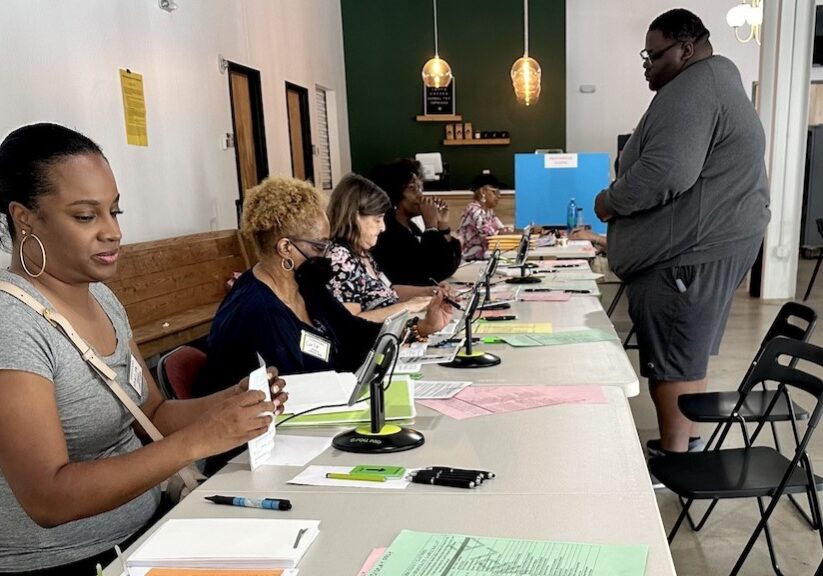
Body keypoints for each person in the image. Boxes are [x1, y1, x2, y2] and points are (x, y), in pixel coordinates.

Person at [0, 123, 288, 575]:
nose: (112, 231)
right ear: (25, 218)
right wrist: (199, 440)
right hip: (69, 561)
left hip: (149, 532)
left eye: (115, 211)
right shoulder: (11, 323)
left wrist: (233, 402)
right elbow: (48, 498)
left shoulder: (103, 300)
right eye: (85, 216)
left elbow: (151, 414)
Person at [593, 10, 770, 458]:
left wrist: (610, 201)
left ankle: (675, 461)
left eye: (653, 55)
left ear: (686, 49)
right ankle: (686, 446)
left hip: (686, 256)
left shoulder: (694, 88)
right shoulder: (714, 83)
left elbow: (665, 171)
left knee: (671, 360)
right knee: (685, 354)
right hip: (704, 247)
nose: (647, 65)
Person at [197, 175, 453, 399]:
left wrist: (421, 328)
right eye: (320, 245)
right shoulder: (257, 311)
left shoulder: (306, 284)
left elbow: (354, 334)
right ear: (285, 248)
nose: (328, 254)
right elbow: (299, 386)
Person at [326, 173, 453, 322]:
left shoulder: (361, 253)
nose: (383, 227)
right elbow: (349, 322)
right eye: (377, 219)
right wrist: (408, 306)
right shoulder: (339, 259)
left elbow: (387, 292)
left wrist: (429, 291)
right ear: (354, 217)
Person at [371, 158, 462, 285]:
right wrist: (431, 227)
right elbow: (428, 272)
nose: (420, 196)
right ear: (394, 193)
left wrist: (443, 226)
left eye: (420, 188)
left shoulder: (412, 227)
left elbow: (446, 268)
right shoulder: (388, 232)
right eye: (412, 189)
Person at [457, 172, 513, 261]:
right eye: (494, 192)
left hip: (483, 258)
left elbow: (502, 229)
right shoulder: (474, 211)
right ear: (483, 192)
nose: (499, 195)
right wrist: (511, 231)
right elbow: (490, 235)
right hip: (469, 262)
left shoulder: (488, 211)